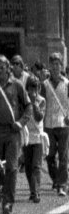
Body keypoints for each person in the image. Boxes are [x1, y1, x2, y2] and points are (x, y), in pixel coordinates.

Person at [0, 54, 27, 214]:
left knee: (11, 166)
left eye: (2, 68)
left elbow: (27, 106)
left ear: (8, 68)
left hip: (12, 131)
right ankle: (2, 191)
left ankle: (8, 201)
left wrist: (21, 122)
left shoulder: (17, 85)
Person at [42, 52, 68, 196]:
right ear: (49, 66)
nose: (55, 66)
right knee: (50, 155)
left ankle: (62, 184)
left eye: (58, 64)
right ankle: (56, 179)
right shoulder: (44, 84)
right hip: (48, 124)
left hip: (64, 124)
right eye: (53, 64)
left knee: (63, 155)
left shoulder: (67, 84)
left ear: (61, 66)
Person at [21, 75, 46, 203]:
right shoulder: (24, 100)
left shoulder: (41, 100)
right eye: (31, 87)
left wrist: (34, 103)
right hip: (26, 137)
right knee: (28, 167)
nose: (33, 90)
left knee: (36, 166)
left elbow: (39, 117)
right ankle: (32, 191)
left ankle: (36, 192)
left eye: (35, 87)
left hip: (37, 137)